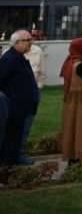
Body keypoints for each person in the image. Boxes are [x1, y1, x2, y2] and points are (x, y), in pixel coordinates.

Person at [0, 30, 39, 166]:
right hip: (15, 106)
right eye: (27, 40)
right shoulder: (9, 59)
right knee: (12, 136)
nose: (30, 43)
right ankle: (9, 162)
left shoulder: (19, 57)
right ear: (16, 43)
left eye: (31, 40)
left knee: (19, 134)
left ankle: (15, 158)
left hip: (24, 106)